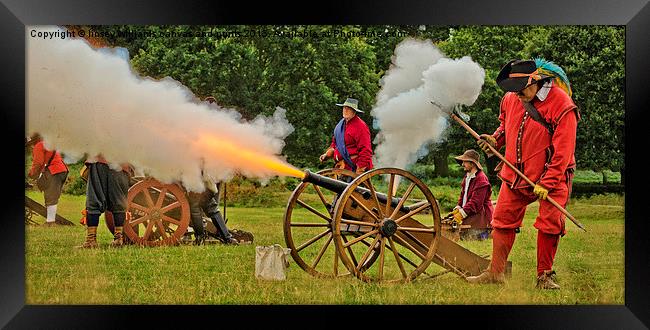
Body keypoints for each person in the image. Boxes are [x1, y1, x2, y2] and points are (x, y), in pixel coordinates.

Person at [467, 58, 579, 289]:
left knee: (550, 223)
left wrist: (547, 182)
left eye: (520, 90)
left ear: (536, 82)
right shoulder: (511, 98)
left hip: (552, 175)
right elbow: (505, 125)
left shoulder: (562, 104)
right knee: (502, 220)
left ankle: (544, 276)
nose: (516, 95)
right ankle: (495, 273)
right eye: (512, 91)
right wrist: (495, 139)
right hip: (516, 171)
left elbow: (564, 152)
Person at [76, 154, 133, 248]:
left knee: (94, 201)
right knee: (119, 202)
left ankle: (91, 240)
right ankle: (118, 239)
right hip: (121, 164)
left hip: (100, 160)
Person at [319, 97, 374, 178]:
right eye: (344, 108)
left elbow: (365, 150)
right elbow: (334, 144)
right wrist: (327, 155)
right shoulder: (340, 125)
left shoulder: (361, 126)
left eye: (349, 108)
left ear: (354, 111)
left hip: (353, 168)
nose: (345, 110)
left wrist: (359, 172)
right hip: (341, 167)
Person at [445, 149, 493, 241]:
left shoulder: (481, 179)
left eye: (465, 162)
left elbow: (476, 203)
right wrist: (458, 207)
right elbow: (463, 195)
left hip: (480, 220)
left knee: (471, 239)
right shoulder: (468, 176)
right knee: (462, 238)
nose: (462, 164)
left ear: (472, 163)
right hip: (470, 216)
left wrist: (461, 214)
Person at [27, 133, 69, 227]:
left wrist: (31, 174)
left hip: (54, 171)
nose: (30, 146)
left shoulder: (39, 145)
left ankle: (50, 222)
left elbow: (38, 163)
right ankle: (50, 221)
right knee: (51, 195)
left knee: (51, 196)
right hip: (61, 170)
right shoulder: (46, 143)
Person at [187, 174, 238, 245]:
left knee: (196, 209)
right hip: (203, 181)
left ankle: (200, 238)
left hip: (198, 181)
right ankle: (228, 238)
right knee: (212, 208)